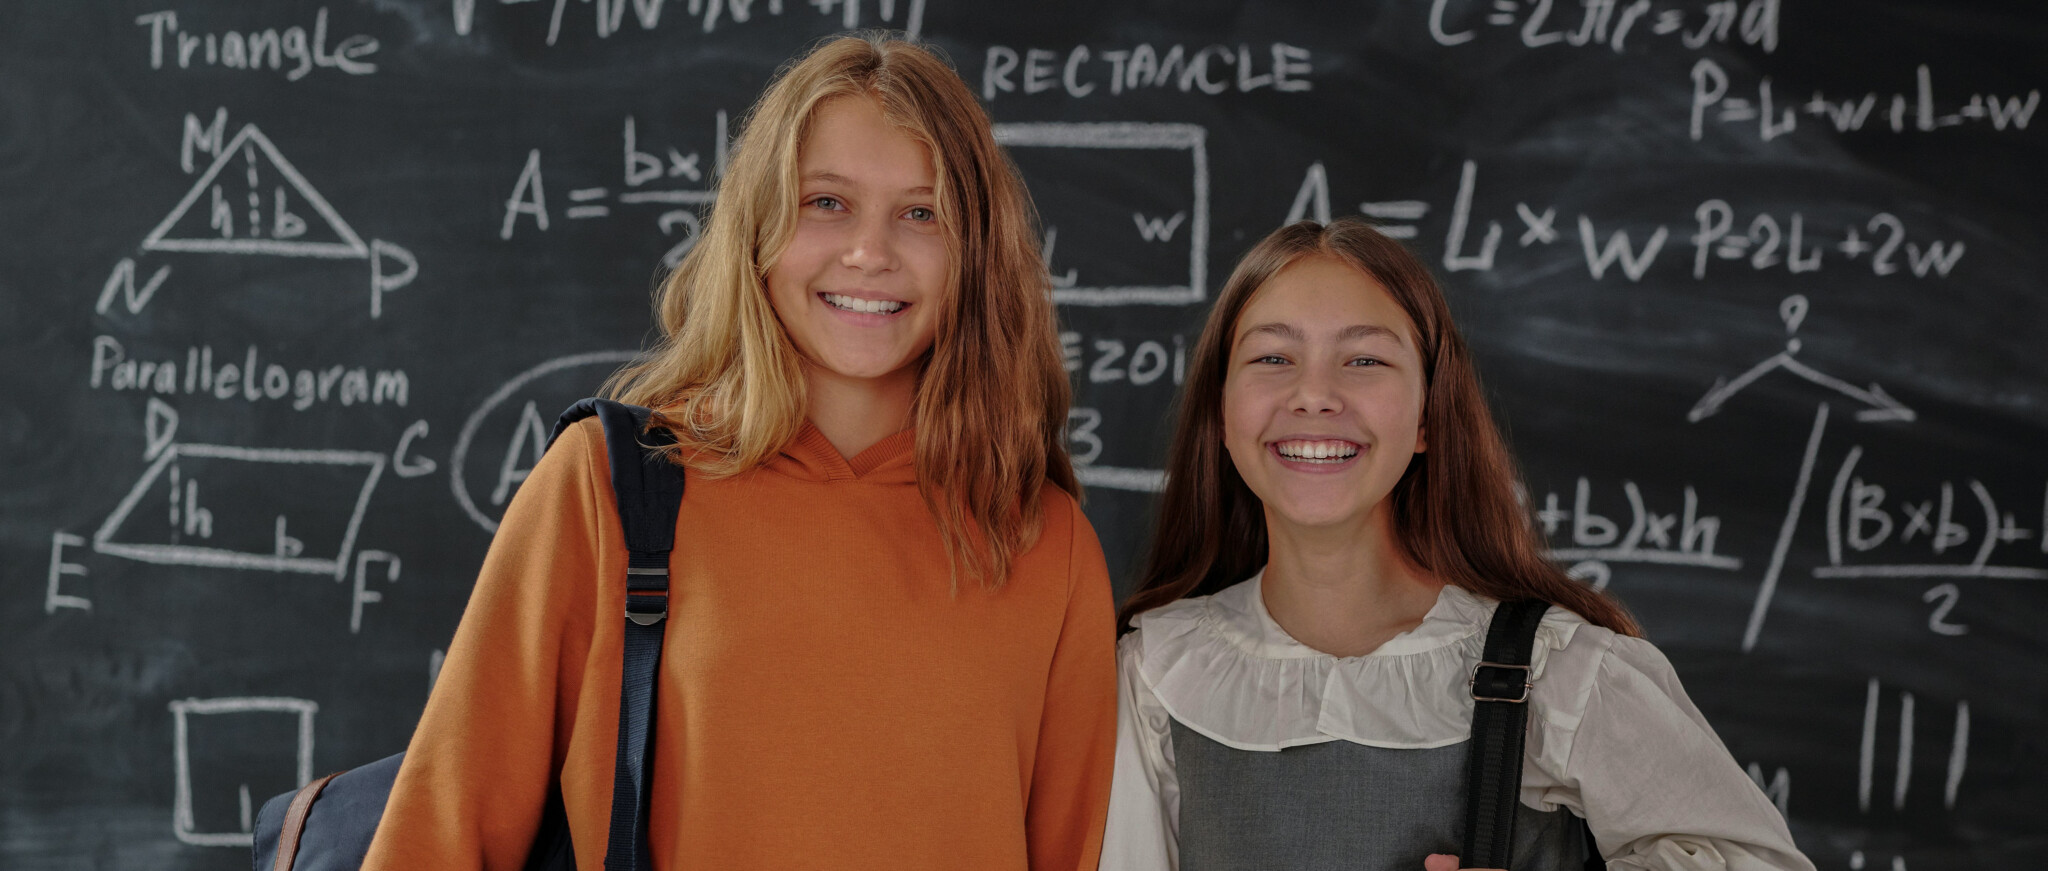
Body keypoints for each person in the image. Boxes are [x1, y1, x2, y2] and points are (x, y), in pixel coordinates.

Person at [364, 34, 1116, 871]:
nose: (870, 251)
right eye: (825, 202)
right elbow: (435, 839)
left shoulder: (1048, 544)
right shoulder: (608, 489)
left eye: (922, 211)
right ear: (756, 225)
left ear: (976, 255)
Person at [1099, 218, 1813, 871]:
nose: (1313, 395)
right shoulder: (1156, 677)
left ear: (1426, 421)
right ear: (1222, 415)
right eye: (1273, 358)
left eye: (1365, 361)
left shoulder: (1559, 673)